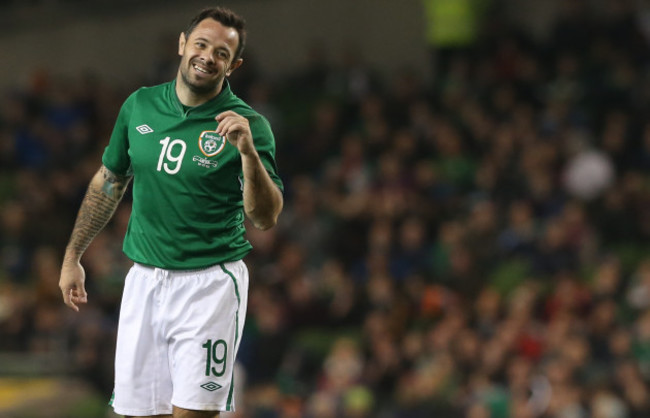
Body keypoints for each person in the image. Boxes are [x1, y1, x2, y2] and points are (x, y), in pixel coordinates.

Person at [58, 6, 283, 418]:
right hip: (144, 281)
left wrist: (248, 154)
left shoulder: (249, 125)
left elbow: (265, 217)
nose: (207, 57)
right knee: (136, 414)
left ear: (234, 65)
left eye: (221, 52)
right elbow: (110, 181)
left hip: (209, 285)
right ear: (182, 45)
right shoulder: (140, 105)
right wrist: (73, 256)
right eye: (201, 44)